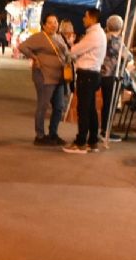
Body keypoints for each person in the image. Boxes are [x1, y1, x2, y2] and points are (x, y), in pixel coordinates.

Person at [18, 15, 71, 146]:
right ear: (44, 25)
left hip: (59, 77)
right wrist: (34, 58)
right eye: (50, 23)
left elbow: (66, 53)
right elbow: (22, 47)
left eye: (56, 22)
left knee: (59, 107)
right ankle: (40, 135)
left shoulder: (59, 37)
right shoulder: (39, 37)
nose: (54, 25)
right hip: (44, 77)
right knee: (43, 105)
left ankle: (53, 133)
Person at [63, 9, 107, 154]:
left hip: (87, 75)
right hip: (92, 74)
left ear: (92, 18)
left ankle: (81, 142)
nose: (83, 19)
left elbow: (74, 50)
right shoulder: (97, 33)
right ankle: (92, 141)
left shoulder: (94, 35)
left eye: (85, 16)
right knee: (90, 109)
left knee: (83, 109)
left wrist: (70, 44)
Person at [99, 15, 125, 143]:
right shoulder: (117, 40)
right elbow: (128, 56)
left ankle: (104, 129)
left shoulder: (103, 37)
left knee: (106, 104)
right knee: (110, 104)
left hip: (101, 73)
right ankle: (106, 130)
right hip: (111, 75)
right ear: (121, 26)